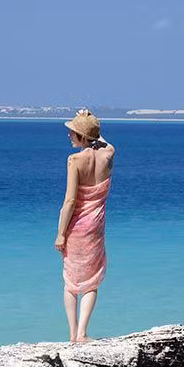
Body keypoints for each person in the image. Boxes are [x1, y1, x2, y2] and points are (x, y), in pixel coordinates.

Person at [54, 108, 115, 343]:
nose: (70, 136)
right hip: (96, 225)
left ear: (81, 137)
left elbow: (70, 201)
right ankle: (83, 334)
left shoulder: (75, 160)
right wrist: (90, 122)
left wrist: (61, 233)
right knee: (91, 280)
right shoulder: (108, 154)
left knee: (71, 282)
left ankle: (72, 334)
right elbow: (103, 142)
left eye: (73, 133)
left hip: (77, 226)